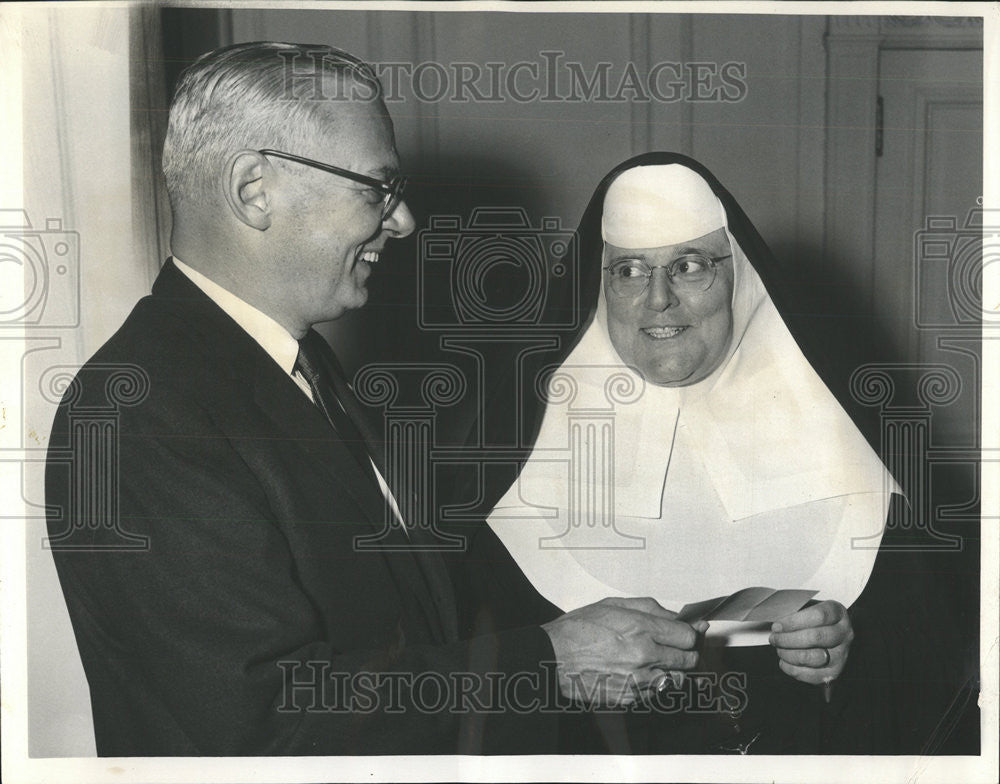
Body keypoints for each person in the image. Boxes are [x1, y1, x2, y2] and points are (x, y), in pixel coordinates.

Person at [43, 45, 705, 756]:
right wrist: (550, 662)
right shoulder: (138, 415)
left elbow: (425, 619)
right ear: (253, 190)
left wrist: (718, 628)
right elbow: (268, 717)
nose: (404, 221)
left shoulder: (303, 370)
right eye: (376, 189)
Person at [463, 153, 964, 753]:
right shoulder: (502, 473)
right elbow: (457, 676)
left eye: (689, 265)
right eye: (627, 271)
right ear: (600, 288)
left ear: (740, 277)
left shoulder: (852, 457)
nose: (657, 300)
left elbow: (937, 668)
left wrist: (844, 655)